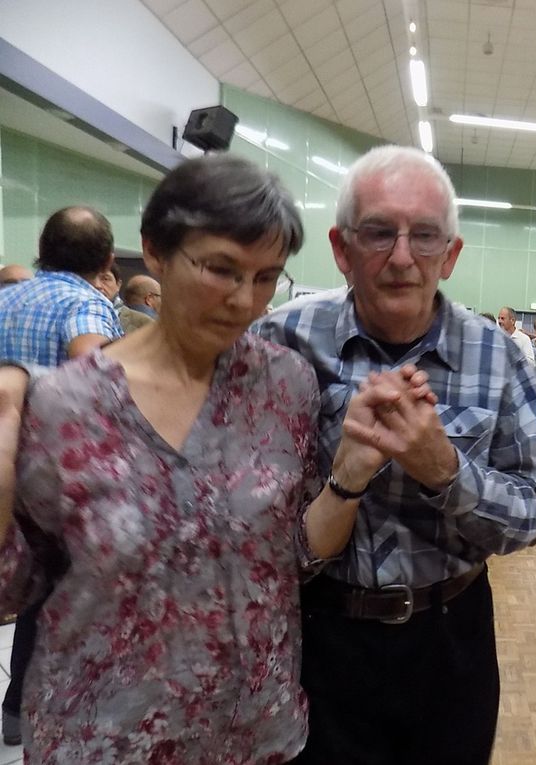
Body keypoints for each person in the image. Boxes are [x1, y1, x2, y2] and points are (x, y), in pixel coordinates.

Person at [0, 155, 362, 762]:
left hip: (256, 736)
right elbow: (11, 592)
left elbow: (287, 558)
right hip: (105, 739)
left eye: (267, 276)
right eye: (220, 269)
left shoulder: (285, 387)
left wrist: (352, 475)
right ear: (156, 252)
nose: (245, 300)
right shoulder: (67, 405)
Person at [253, 144, 536, 765]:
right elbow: (245, 522)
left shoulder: (497, 358)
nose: (401, 258)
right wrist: (345, 475)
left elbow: (528, 517)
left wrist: (444, 470)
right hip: (317, 639)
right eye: (378, 233)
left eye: (424, 236)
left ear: (451, 254)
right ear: (341, 249)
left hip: (451, 640)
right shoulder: (279, 341)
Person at [0, 205, 124, 748]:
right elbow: (94, 368)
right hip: (60, 487)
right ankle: (35, 717)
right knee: (61, 602)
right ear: (104, 259)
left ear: (42, 249)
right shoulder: (85, 303)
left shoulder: (3, 299)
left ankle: (14, 711)